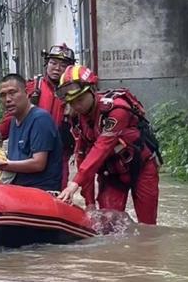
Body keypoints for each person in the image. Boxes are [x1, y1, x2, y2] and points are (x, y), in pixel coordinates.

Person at [57, 65, 161, 224]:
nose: (77, 106)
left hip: (142, 168)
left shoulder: (116, 110)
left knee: (148, 226)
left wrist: (74, 184)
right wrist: (89, 202)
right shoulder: (77, 118)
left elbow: (101, 148)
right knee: (107, 223)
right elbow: (81, 156)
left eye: (80, 99)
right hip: (111, 174)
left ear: (92, 90)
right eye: (72, 102)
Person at [0, 43, 76, 186]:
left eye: (63, 65)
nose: (57, 68)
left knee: (60, 184)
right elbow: (11, 115)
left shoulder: (74, 90)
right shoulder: (34, 86)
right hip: (32, 143)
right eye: (53, 63)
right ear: (47, 64)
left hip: (61, 146)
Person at [0, 73, 62, 191]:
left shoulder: (40, 119)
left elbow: (38, 164)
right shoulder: (14, 121)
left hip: (41, 191)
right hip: (19, 189)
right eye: (3, 95)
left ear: (26, 93)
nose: (8, 99)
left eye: (12, 93)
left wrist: (4, 165)